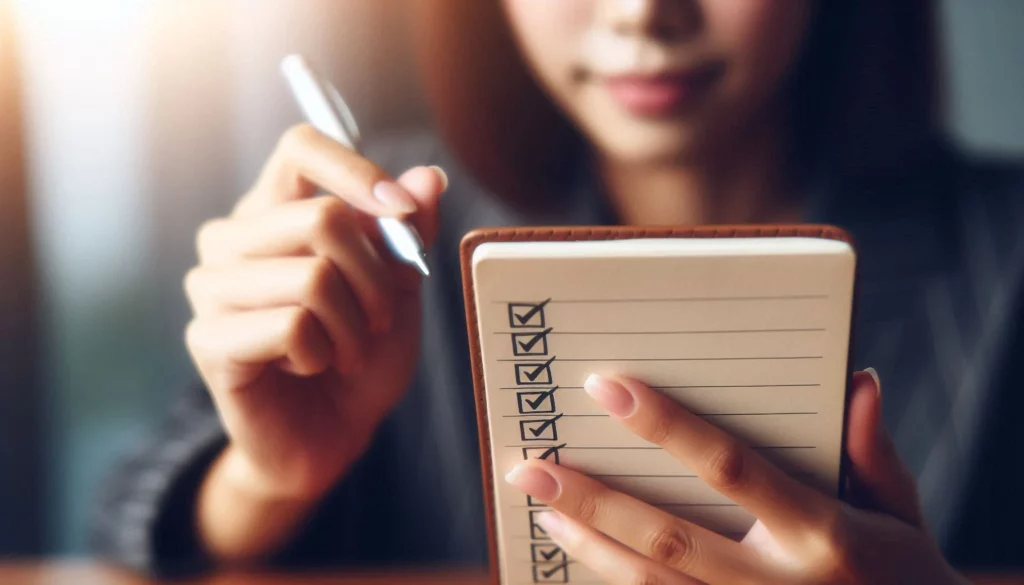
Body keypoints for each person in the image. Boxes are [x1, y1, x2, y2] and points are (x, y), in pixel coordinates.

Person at [91, 1, 1024, 582]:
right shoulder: (383, 220)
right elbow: (120, 527)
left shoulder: (1004, 245)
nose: (642, 14)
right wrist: (271, 478)